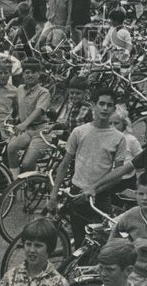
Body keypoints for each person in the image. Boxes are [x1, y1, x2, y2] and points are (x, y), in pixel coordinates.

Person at [48, 85, 127, 246]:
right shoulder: (79, 132)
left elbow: (118, 174)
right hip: (77, 193)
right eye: (101, 103)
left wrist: (95, 190)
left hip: (100, 197)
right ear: (93, 105)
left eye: (109, 105)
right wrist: (54, 194)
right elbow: (64, 165)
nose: (105, 108)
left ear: (113, 109)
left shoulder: (119, 138)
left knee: (100, 244)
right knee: (78, 241)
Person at [5, 60, 51, 178]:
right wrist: (14, 118)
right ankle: (15, 181)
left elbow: (38, 110)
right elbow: (16, 106)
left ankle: (34, 180)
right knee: (11, 147)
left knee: (27, 163)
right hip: (26, 130)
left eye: (34, 72)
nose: (30, 75)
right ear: (23, 75)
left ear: (39, 74)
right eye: (27, 72)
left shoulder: (44, 92)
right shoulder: (20, 89)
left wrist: (24, 123)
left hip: (41, 131)